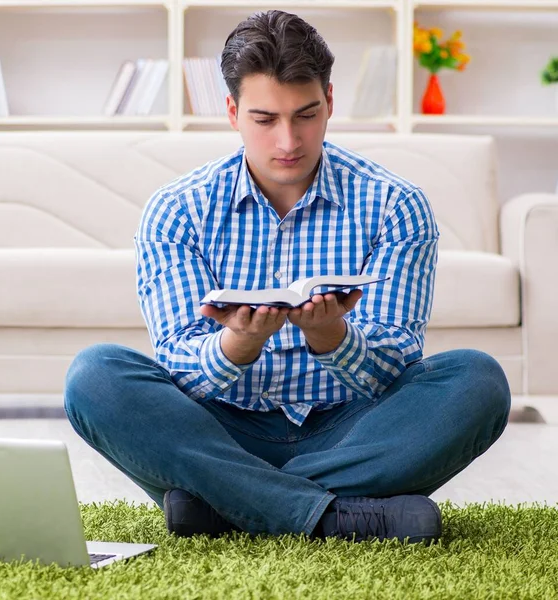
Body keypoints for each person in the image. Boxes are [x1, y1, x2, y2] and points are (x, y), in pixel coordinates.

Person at [64, 10, 511, 544]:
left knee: (477, 381)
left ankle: (225, 506)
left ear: (330, 102)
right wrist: (237, 344)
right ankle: (334, 517)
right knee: (95, 376)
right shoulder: (177, 210)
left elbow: (395, 362)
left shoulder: (397, 205)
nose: (288, 140)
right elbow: (180, 364)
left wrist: (332, 337)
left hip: (354, 432)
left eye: (306, 115)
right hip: (222, 431)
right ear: (232, 112)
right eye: (264, 119)